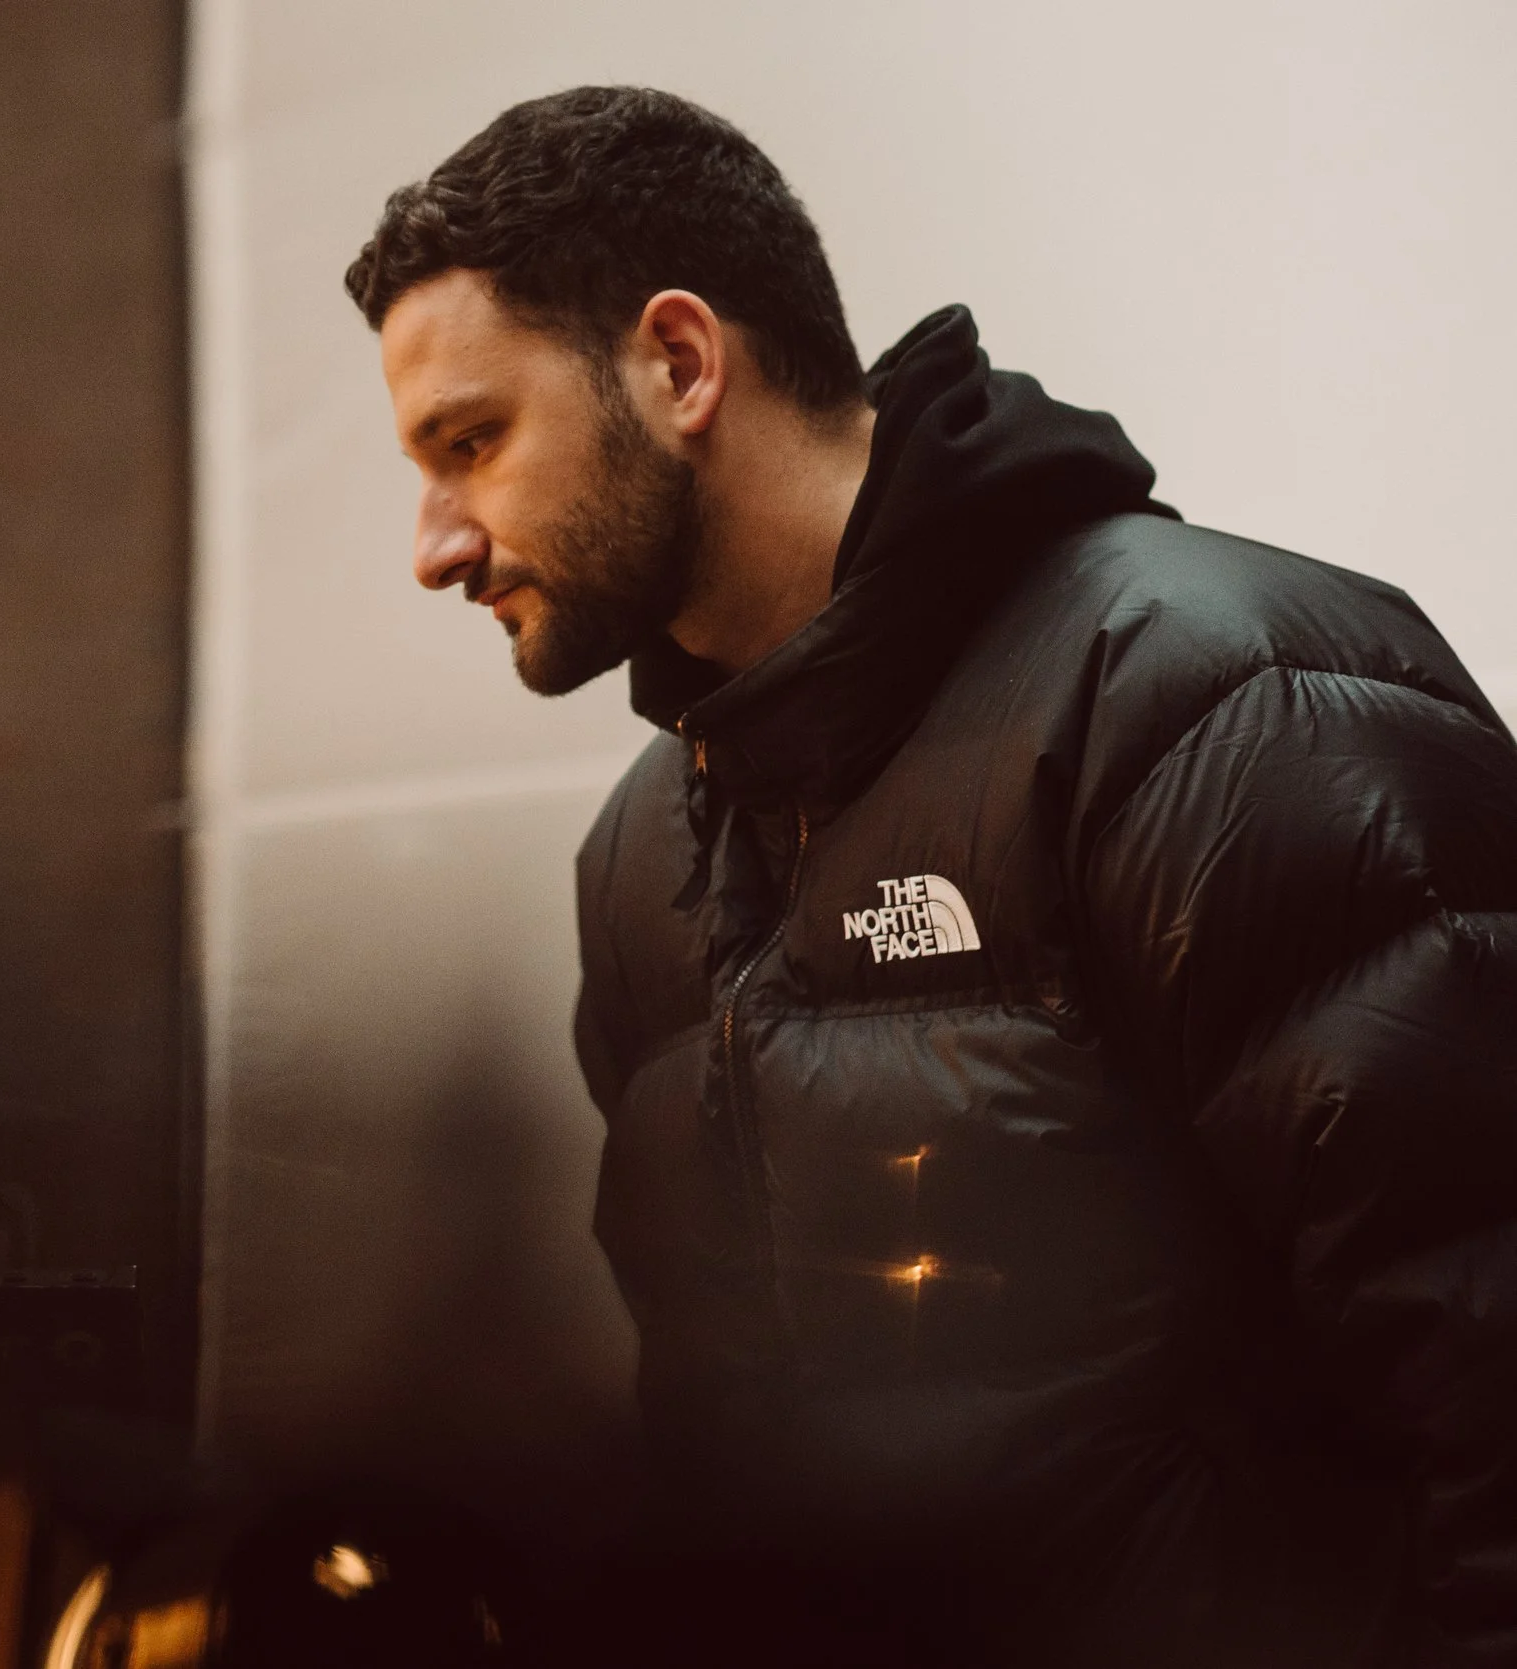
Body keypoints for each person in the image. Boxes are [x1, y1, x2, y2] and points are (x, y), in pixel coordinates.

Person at [346, 87, 1517, 1668]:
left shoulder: (1217, 707)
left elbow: (1488, 1378)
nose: (435, 545)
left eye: (471, 442)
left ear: (680, 365)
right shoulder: (640, 864)